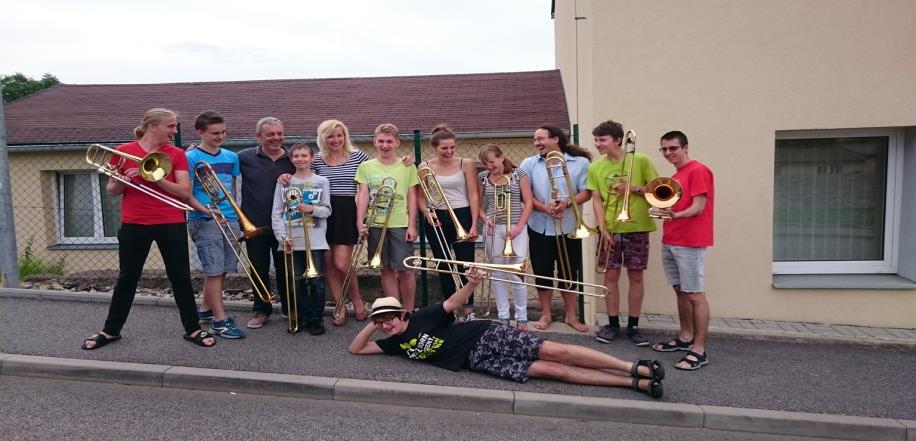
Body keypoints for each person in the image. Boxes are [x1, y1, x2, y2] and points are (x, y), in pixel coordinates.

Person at [347, 268, 664, 399]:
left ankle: (631, 366)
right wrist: (371, 323)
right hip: (478, 361)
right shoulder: (393, 344)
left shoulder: (424, 316)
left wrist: (471, 283)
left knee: (556, 351)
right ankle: (633, 382)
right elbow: (356, 350)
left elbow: (455, 302)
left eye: (388, 318)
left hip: (485, 336)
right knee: (553, 372)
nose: (386, 324)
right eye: (382, 322)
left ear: (402, 313)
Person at [81, 108, 215, 349]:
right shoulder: (123, 152)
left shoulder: (176, 154)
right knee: (127, 278)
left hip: (170, 221)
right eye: (171, 126)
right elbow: (112, 191)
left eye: (175, 126)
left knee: (181, 278)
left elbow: (184, 192)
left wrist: (156, 178)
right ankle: (110, 331)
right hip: (135, 223)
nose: (174, 131)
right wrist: (124, 180)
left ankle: (193, 329)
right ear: (153, 126)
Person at [587, 120, 659, 346]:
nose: (598, 144)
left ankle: (634, 325)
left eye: (602, 140)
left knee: (636, 275)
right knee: (610, 277)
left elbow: (659, 190)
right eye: (596, 140)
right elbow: (596, 201)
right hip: (610, 228)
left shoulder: (641, 160)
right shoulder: (595, 168)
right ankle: (613, 324)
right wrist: (602, 228)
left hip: (637, 226)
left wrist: (633, 189)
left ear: (617, 140)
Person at [650, 131, 714, 371]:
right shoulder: (676, 175)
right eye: (664, 149)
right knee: (680, 291)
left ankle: (699, 350)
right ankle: (685, 337)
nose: (668, 153)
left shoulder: (698, 170)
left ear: (685, 147)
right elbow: (671, 204)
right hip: (672, 239)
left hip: (690, 241)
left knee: (695, 294)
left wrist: (676, 214)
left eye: (673, 148)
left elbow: (699, 207)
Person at [519, 125, 593, 332]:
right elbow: (527, 196)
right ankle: (546, 314)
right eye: (535, 140)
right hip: (539, 226)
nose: (537, 143)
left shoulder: (580, 163)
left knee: (569, 272)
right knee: (542, 272)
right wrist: (546, 209)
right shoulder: (529, 163)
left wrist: (567, 203)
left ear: (556, 140)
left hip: (569, 225)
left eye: (541, 139)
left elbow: (586, 192)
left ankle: (571, 316)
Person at [185, 110, 245, 339]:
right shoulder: (190, 158)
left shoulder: (231, 157)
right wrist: (208, 211)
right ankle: (220, 322)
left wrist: (234, 214)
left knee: (223, 271)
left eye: (223, 132)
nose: (220, 137)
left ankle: (205, 312)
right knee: (213, 270)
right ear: (200, 132)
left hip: (229, 216)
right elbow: (187, 194)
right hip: (205, 219)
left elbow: (232, 189)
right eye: (214, 133)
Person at [311, 120, 371, 326]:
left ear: (345, 136)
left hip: (347, 211)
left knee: (342, 263)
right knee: (328, 264)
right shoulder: (316, 160)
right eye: (330, 136)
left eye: (339, 135)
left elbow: (376, 175)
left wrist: (405, 161)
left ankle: (357, 300)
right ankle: (339, 305)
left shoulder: (360, 157)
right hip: (322, 213)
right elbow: (303, 178)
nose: (335, 140)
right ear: (322, 139)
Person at [417, 124, 480, 320]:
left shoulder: (466, 163)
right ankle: (450, 309)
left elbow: (473, 194)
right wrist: (427, 214)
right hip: (437, 217)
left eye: (452, 147)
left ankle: (468, 310)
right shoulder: (424, 166)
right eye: (445, 148)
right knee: (444, 264)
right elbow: (420, 197)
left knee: (466, 264)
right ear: (435, 147)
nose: (449, 151)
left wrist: (474, 224)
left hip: (462, 215)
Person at [355, 124, 419, 311]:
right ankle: (394, 310)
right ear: (374, 142)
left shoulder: (407, 166)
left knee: (405, 270)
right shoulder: (365, 166)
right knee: (385, 269)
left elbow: (412, 195)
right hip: (375, 224)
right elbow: (363, 195)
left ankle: (408, 311)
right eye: (381, 141)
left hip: (400, 223)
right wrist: (360, 222)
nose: (385, 145)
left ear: (397, 143)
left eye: (389, 141)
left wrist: (412, 225)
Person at [239, 117, 295, 329]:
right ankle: (261, 310)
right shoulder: (243, 157)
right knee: (258, 269)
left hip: (285, 225)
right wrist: (190, 151)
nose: (276, 138)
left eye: (280, 133)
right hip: (254, 224)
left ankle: (290, 309)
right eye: (270, 134)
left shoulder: (293, 158)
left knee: (286, 269)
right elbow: (220, 164)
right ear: (258, 136)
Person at [271, 143, 332, 335]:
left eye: (304, 155)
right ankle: (303, 317)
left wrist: (311, 209)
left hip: (314, 240)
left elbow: (327, 210)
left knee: (316, 282)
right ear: (291, 159)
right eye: (296, 156)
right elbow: (277, 213)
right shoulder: (284, 182)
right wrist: (283, 238)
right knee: (296, 282)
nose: (300, 158)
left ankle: (316, 319)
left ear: (312, 158)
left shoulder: (322, 181)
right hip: (292, 241)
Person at [477, 144, 533, 330]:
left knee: (518, 273)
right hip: (494, 228)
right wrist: (485, 219)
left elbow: (529, 202)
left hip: (516, 228)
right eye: (485, 164)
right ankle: (503, 315)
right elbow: (476, 205)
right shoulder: (483, 177)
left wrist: (519, 226)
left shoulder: (519, 174)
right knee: (498, 273)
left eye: (492, 162)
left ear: (501, 157)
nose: (489, 167)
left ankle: (521, 316)